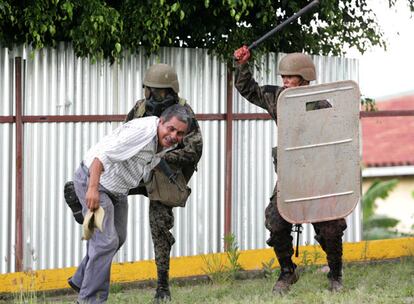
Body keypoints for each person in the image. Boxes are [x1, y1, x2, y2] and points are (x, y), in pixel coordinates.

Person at [64, 63, 203, 302]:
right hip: (103, 177)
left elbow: (193, 150)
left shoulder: (182, 116)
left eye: (162, 92)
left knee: (118, 237)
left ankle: (82, 278)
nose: (174, 136)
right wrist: (93, 188)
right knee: (105, 242)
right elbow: (106, 153)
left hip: (140, 177)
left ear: (172, 92)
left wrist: (166, 163)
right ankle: (89, 299)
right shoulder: (143, 118)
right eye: (153, 91)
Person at [233, 46, 347, 294]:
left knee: (331, 226)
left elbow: (338, 139)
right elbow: (248, 89)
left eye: (290, 77)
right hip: (291, 174)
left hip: (319, 173)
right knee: (275, 220)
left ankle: (336, 274)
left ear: (304, 78)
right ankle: (287, 272)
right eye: (283, 77)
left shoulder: (321, 104)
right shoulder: (278, 98)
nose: (285, 81)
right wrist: (242, 65)